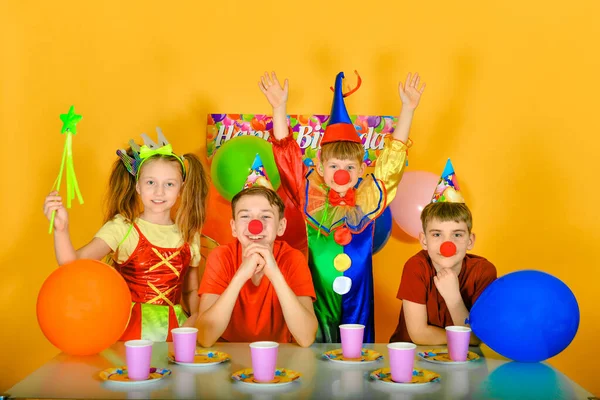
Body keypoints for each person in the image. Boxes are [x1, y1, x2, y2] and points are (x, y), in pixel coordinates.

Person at [258, 70, 425, 342]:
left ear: (361, 170)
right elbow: (287, 157)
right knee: (318, 355)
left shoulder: (369, 197)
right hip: (318, 298)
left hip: (359, 300)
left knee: (357, 357)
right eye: (334, 166)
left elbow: (392, 163)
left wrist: (407, 110)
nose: (341, 173)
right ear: (321, 168)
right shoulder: (308, 192)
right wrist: (279, 109)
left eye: (349, 167)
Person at [43, 128, 209, 341]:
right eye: (151, 183)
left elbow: (190, 291)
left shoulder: (189, 233)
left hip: (174, 333)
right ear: (138, 186)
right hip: (127, 330)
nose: (159, 192)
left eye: (169, 184)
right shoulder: (123, 227)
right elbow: (71, 264)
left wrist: (195, 318)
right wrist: (61, 229)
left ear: (181, 188)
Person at [389, 160, 497, 345]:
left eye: (457, 234)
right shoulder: (416, 267)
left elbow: (478, 338)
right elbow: (419, 334)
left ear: (470, 241)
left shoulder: (483, 271)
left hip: (464, 361)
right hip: (413, 360)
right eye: (437, 234)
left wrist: (453, 297)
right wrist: (465, 337)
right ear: (424, 240)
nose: (448, 244)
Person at [196, 184, 317, 347]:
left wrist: (274, 274)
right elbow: (205, 336)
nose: (255, 225)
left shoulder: (293, 258)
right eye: (245, 216)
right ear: (234, 227)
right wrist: (240, 276)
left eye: (266, 217)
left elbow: (306, 337)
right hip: (227, 351)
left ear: (281, 227)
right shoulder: (221, 256)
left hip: (280, 354)